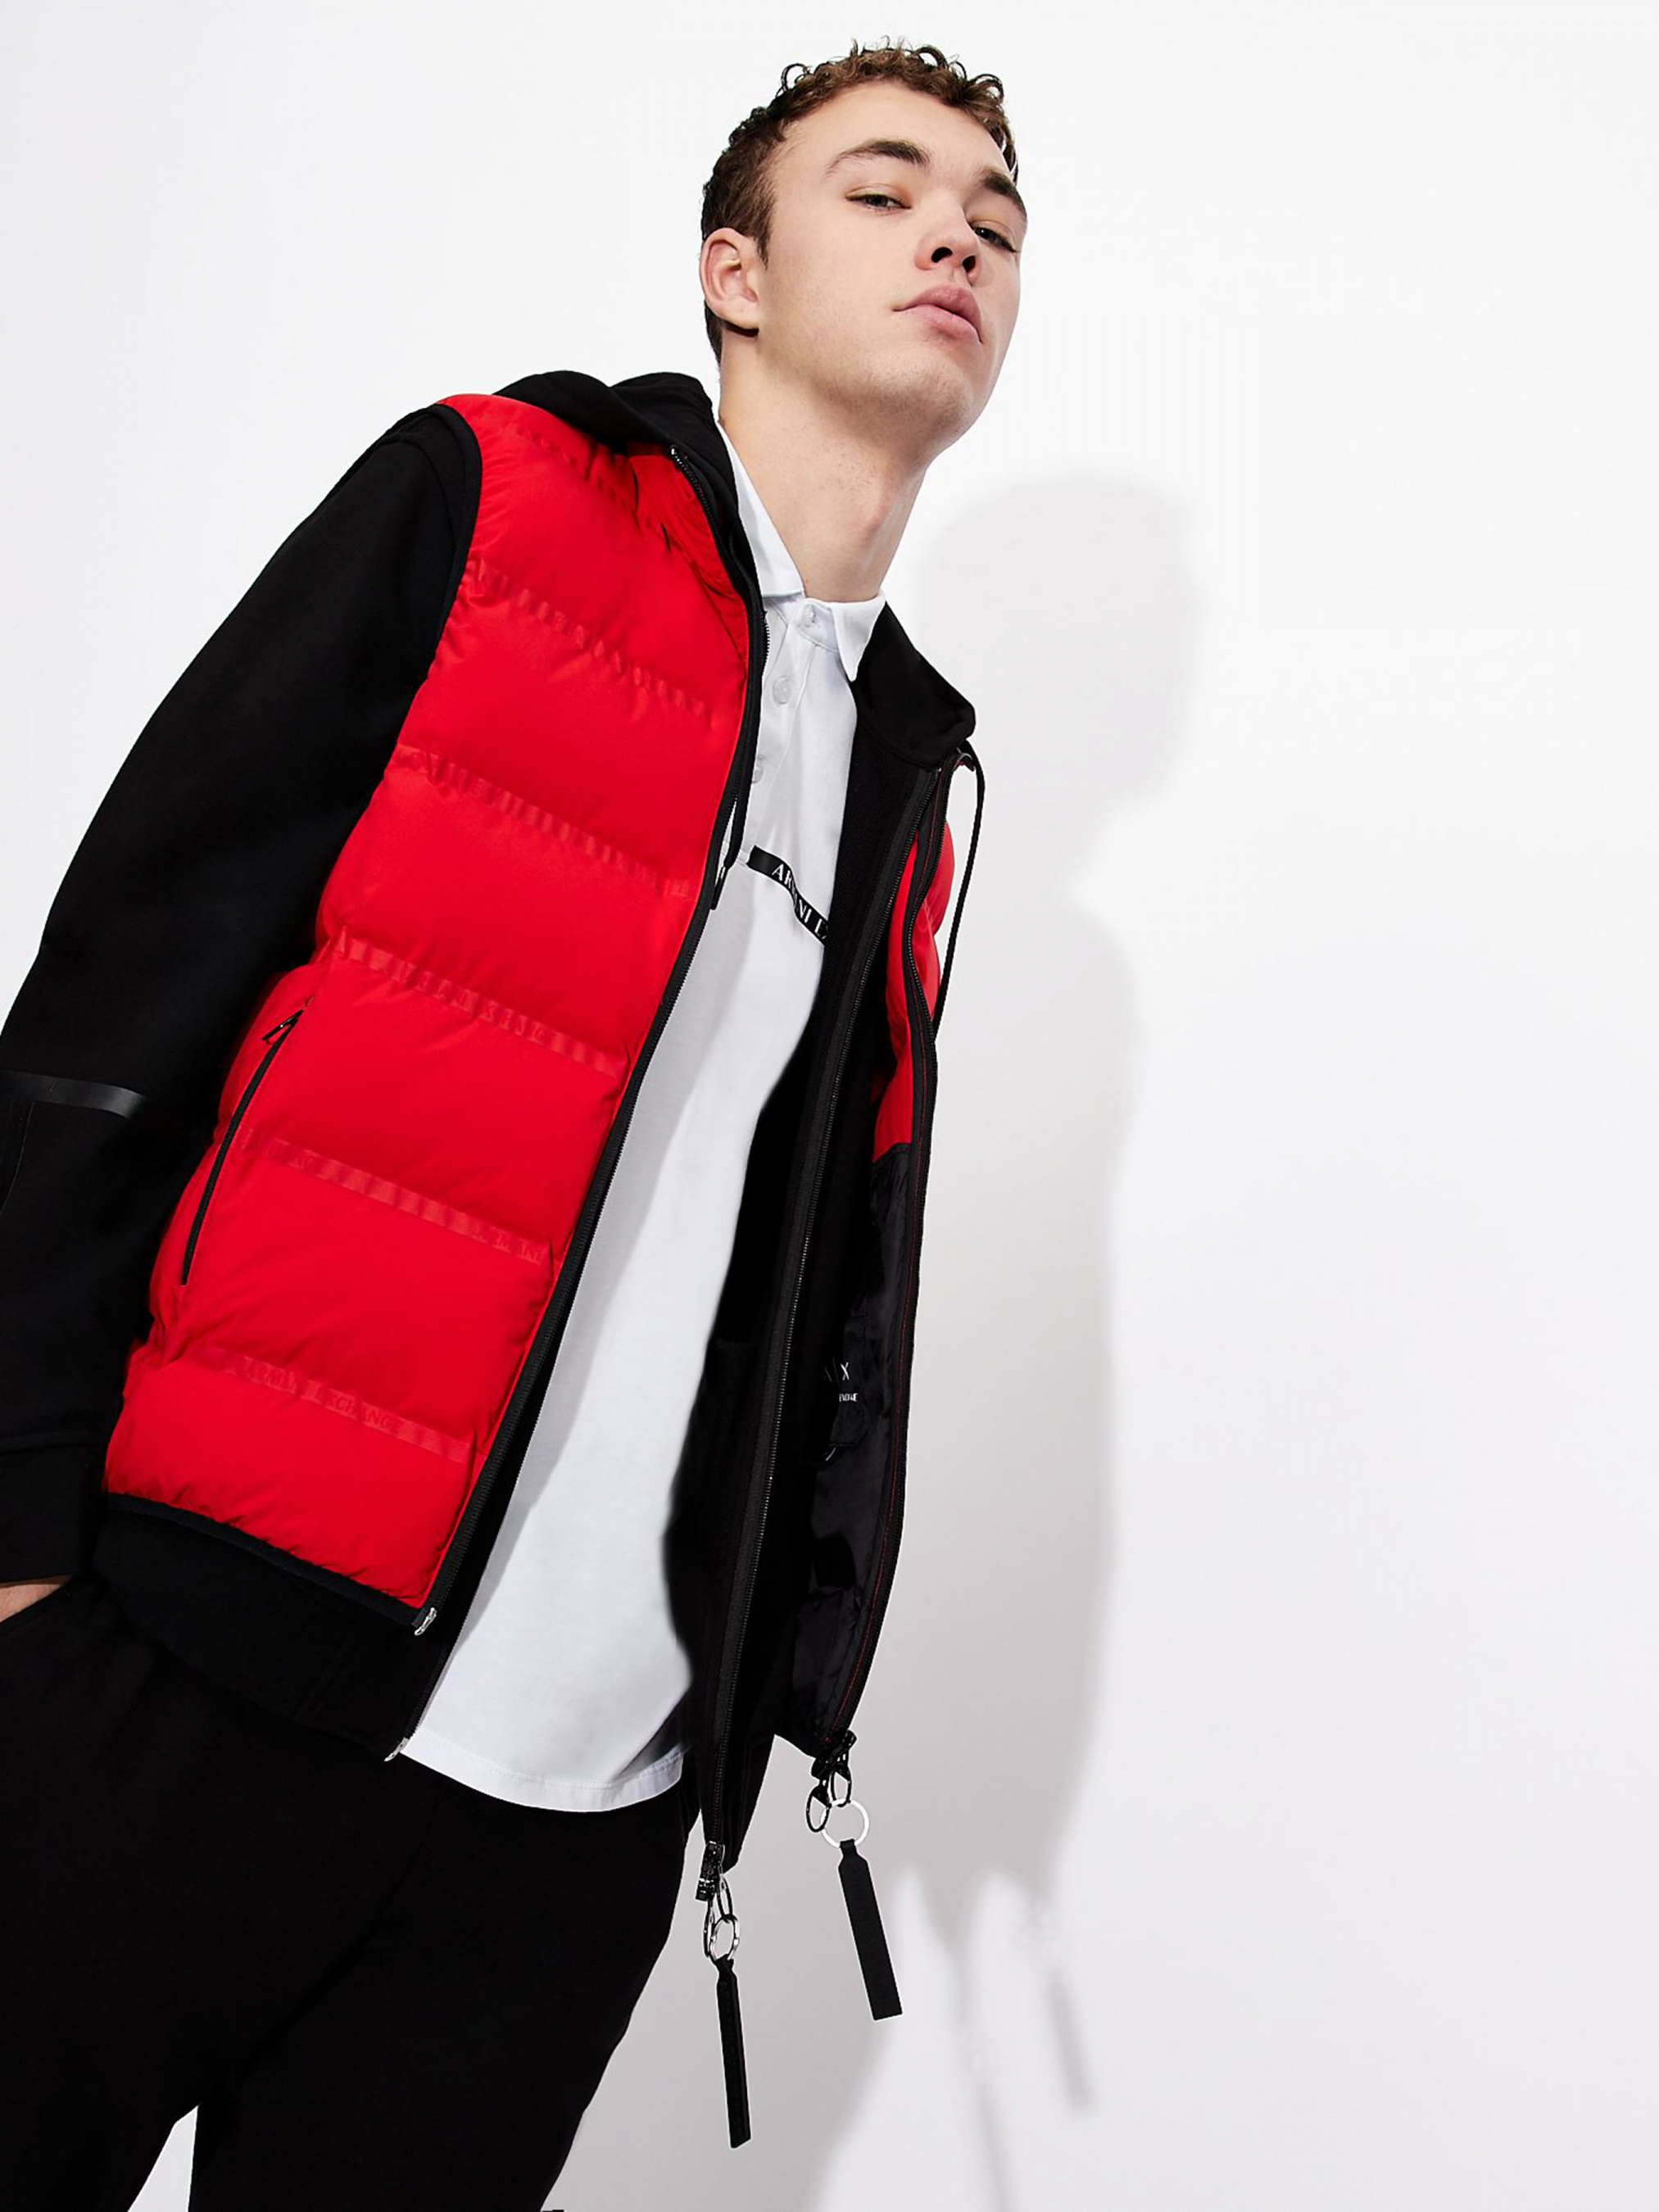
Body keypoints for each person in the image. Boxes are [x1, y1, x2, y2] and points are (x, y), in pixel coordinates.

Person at [0, 35, 1021, 2211]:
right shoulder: (489, 501)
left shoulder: (909, 762)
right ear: (732, 273)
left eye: (993, 220)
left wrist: (744, 1712)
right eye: (882, 190)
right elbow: (118, 999)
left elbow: (816, 1277)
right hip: (187, 1660)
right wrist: (18, 1551)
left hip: (569, 1823)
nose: (955, 236)